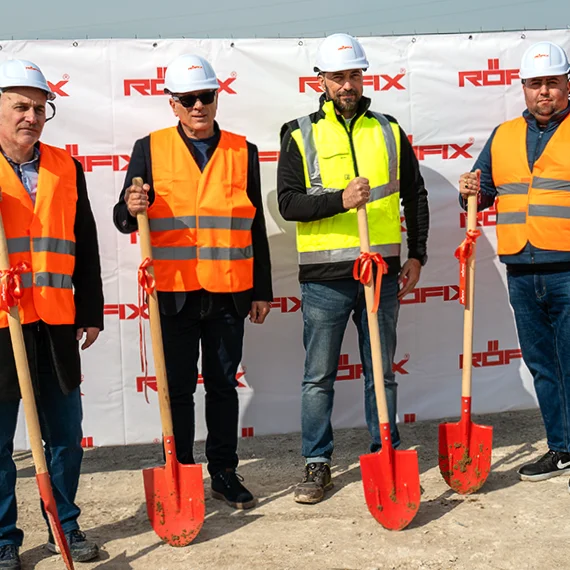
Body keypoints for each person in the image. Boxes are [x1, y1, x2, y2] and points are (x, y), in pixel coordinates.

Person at [113, 54, 273, 509]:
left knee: (222, 386)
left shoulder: (242, 151)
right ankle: (179, 470)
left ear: (217, 98)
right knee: (178, 390)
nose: (198, 105)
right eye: (188, 99)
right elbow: (123, 217)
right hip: (174, 292)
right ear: (173, 104)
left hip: (229, 291)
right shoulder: (149, 148)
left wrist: (261, 289)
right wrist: (131, 207)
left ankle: (223, 472)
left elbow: (254, 225)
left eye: (205, 96)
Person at [277, 33, 429, 504]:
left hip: (380, 273)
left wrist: (417, 254)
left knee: (381, 373)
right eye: (338, 76)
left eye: (354, 75)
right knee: (318, 377)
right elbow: (288, 204)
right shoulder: (299, 132)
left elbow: (414, 194)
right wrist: (340, 200)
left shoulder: (388, 129)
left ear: (364, 78)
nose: (347, 84)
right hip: (325, 281)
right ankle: (316, 463)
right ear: (320, 81)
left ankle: (386, 452)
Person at [0, 60, 103, 569]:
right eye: (21, 106)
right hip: (2, 326)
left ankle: (65, 523)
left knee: (64, 435)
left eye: (40, 108)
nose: (32, 117)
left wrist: (91, 309)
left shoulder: (65, 167)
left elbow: (84, 241)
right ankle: (3, 538)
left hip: (55, 321)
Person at [459, 40, 570, 485]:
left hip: (567, 268)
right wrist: (470, 190)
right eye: (535, 83)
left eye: (552, 82)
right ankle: (562, 448)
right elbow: (482, 192)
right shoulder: (503, 136)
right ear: (522, 87)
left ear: (567, 85)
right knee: (543, 364)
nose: (544, 91)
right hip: (521, 269)